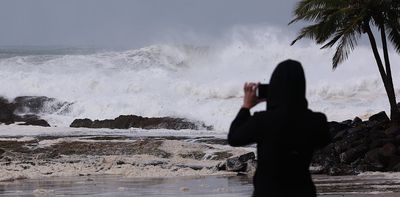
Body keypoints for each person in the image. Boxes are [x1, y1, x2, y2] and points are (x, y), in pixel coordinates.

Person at [228, 59, 331, 197]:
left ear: (273, 88)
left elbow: (234, 138)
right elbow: (324, 140)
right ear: (301, 87)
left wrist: (246, 106)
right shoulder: (316, 120)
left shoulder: (262, 120)